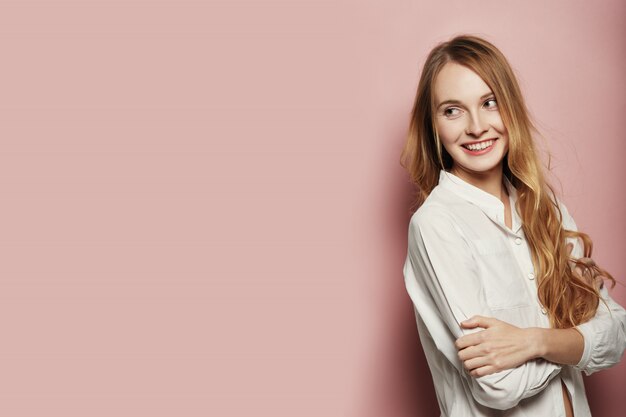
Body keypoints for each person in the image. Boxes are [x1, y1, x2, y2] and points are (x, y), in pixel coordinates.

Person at [399, 34, 626, 416]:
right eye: (452, 110)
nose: (476, 126)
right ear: (433, 125)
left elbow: (617, 334)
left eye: (489, 103)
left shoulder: (544, 206)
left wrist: (534, 342)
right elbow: (496, 386)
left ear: (510, 108)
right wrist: (574, 343)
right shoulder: (436, 225)